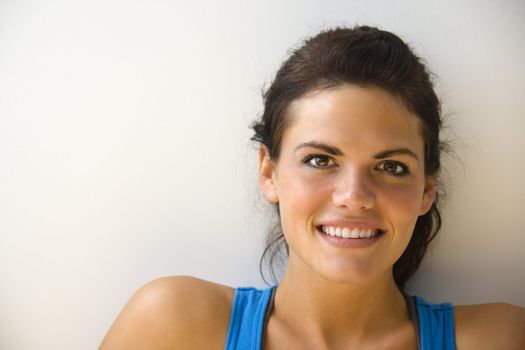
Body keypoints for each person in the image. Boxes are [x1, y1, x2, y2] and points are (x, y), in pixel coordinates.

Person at [99, 26, 525, 350]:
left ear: (426, 190)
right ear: (269, 172)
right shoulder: (174, 326)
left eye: (391, 167)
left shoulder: (501, 339)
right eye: (320, 160)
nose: (354, 195)